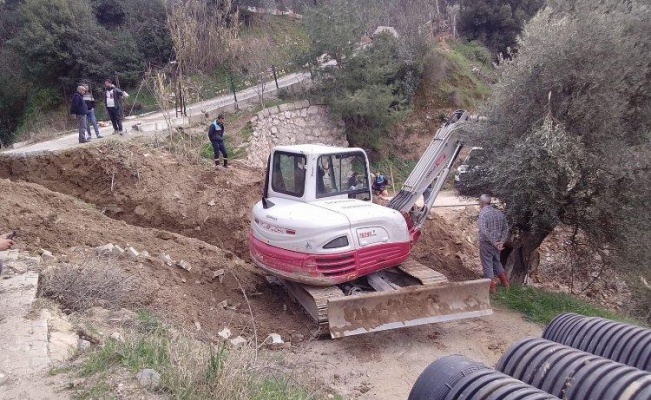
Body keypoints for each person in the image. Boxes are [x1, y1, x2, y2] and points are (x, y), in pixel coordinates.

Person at [478, 194, 510, 292]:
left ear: (482, 202)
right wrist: (501, 241)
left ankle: (492, 289)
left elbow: (484, 231)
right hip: (498, 245)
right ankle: (506, 284)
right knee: (497, 262)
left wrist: (494, 242)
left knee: (487, 265)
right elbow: (506, 229)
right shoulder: (499, 213)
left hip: (487, 244)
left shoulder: (483, 214)